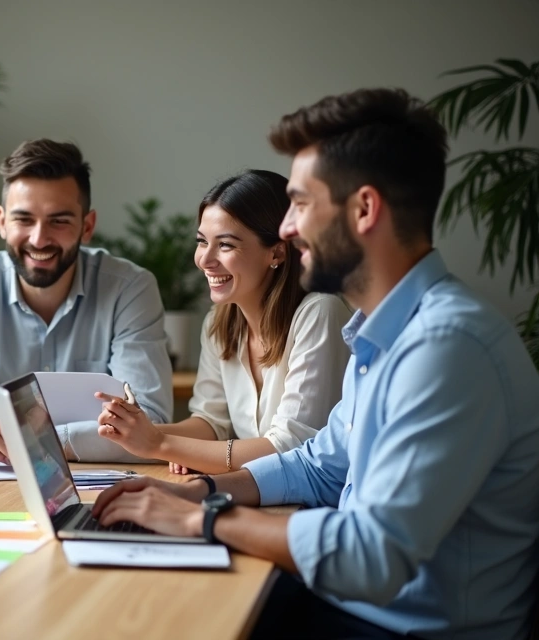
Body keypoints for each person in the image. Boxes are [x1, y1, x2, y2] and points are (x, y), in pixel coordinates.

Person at [92, 88, 539, 639]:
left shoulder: (446, 348)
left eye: (301, 205)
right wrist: (201, 492)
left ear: (365, 210)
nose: (285, 228)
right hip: (351, 605)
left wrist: (203, 520)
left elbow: (372, 558)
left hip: (403, 626)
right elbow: (319, 466)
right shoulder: (385, 333)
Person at [0, 139, 173, 463]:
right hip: (3, 486)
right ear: (3, 222)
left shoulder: (129, 289)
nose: (38, 238)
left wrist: (28, 441)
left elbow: (149, 421)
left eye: (58, 220)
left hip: (109, 487)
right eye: (24, 219)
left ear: (86, 227)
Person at [97, 170, 350, 474]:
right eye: (202, 241)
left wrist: (160, 444)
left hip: (316, 507)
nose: (205, 260)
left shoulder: (321, 313)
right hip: (261, 495)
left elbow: (289, 447)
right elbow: (210, 423)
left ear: (277, 251)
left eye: (226, 245)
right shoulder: (219, 324)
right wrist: (135, 429)